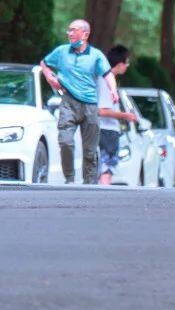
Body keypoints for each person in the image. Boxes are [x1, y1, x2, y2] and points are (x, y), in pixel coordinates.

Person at [40, 19, 120, 185]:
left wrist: (113, 90)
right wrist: (49, 76)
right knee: (65, 141)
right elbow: (44, 63)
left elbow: (108, 74)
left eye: (74, 30)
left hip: (90, 105)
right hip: (68, 102)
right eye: (69, 30)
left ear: (85, 34)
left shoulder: (96, 55)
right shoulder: (62, 52)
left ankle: (89, 184)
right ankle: (69, 179)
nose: (69, 34)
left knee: (90, 151)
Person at [97, 44, 137, 186]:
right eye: (127, 63)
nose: (127, 66)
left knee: (104, 170)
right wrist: (126, 116)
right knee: (106, 171)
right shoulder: (105, 81)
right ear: (120, 64)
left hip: (106, 131)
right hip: (106, 132)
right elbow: (101, 111)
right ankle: (102, 197)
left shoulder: (106, 79)